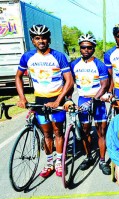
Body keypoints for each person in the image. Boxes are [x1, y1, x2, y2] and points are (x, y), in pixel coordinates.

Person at [15, 24, 74, 178]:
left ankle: (59, 163)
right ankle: (49, 163)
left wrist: (58, 101)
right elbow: (18, 77)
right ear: (33, 41)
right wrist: (22, 98)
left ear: (49, 39)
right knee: (47, 134)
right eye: (37, 38)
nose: (41, 41)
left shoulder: (59, 56)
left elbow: (69, 82)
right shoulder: (27, 57)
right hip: (40, 99)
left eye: (44, 38)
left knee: (58, 132)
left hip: (57, 99)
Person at [66, 34, 111, 174]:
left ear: (93, 48)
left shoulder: (100, 65)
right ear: (80, 48)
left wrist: (93, 100)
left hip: (97, 100)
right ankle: (88, 156)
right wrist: (68, 98)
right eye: (83, 47)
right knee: (85, 131)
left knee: (101, 132)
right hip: (82, 100)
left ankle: (102, 161)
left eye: (89, 47)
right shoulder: (73, 65)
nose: (86, 50)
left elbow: (105, 85)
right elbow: (69, 84)